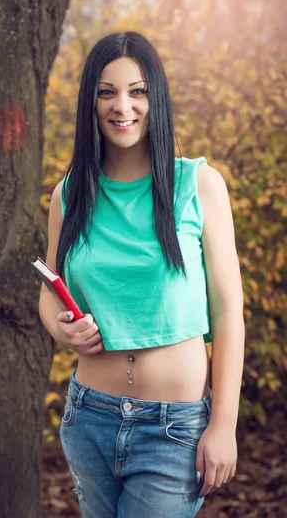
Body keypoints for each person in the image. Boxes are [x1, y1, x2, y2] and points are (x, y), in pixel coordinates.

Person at [38, 31, 245, 518]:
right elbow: (50, 285)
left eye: (138, 91)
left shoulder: (199, 186)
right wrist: (57, 325)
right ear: (91, 102)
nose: (122, 106)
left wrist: (224, 425)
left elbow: (230, 314)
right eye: (106, 91)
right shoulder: (69, 194)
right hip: (89, 417)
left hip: (174, 430)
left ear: (156, 97)